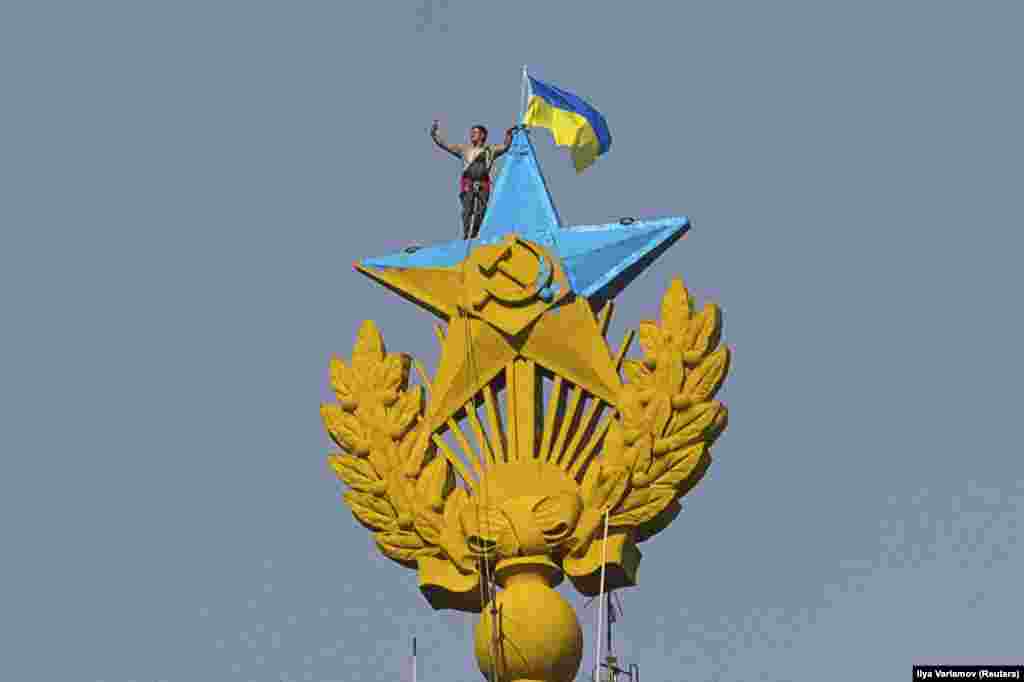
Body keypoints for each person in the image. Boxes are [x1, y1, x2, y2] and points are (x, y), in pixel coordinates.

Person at [431, 121, 516, 239]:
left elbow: (506, 146)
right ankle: (466, 234)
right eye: (471, 133)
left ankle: (474, 234)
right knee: (467, 210)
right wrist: (435, 135)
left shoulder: (491, 150)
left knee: (481, 211)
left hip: (483, 183)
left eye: (475, 133)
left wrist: (509, 134)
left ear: (482, 135)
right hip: (468, 183)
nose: (472, 135)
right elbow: (445, 145)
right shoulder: (464, 149)